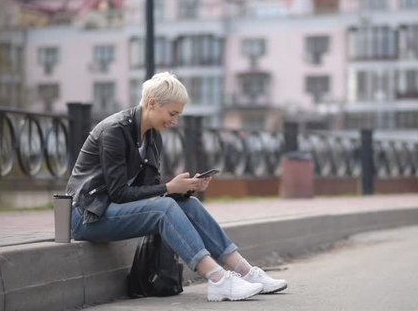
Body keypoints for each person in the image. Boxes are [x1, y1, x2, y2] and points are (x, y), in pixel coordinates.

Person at [66, 72, 287, 302]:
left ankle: (246, 272)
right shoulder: (115, 131)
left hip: (111, 209)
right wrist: (170, 188)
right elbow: (120, 193)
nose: (175, 121)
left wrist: (185, 189)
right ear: (152, 103)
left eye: (178, 115)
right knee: (164, 207)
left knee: (188, 204)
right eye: (172, 113)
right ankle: (218, 279)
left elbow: (149, 189)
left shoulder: (152, 138)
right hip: (87, 215)